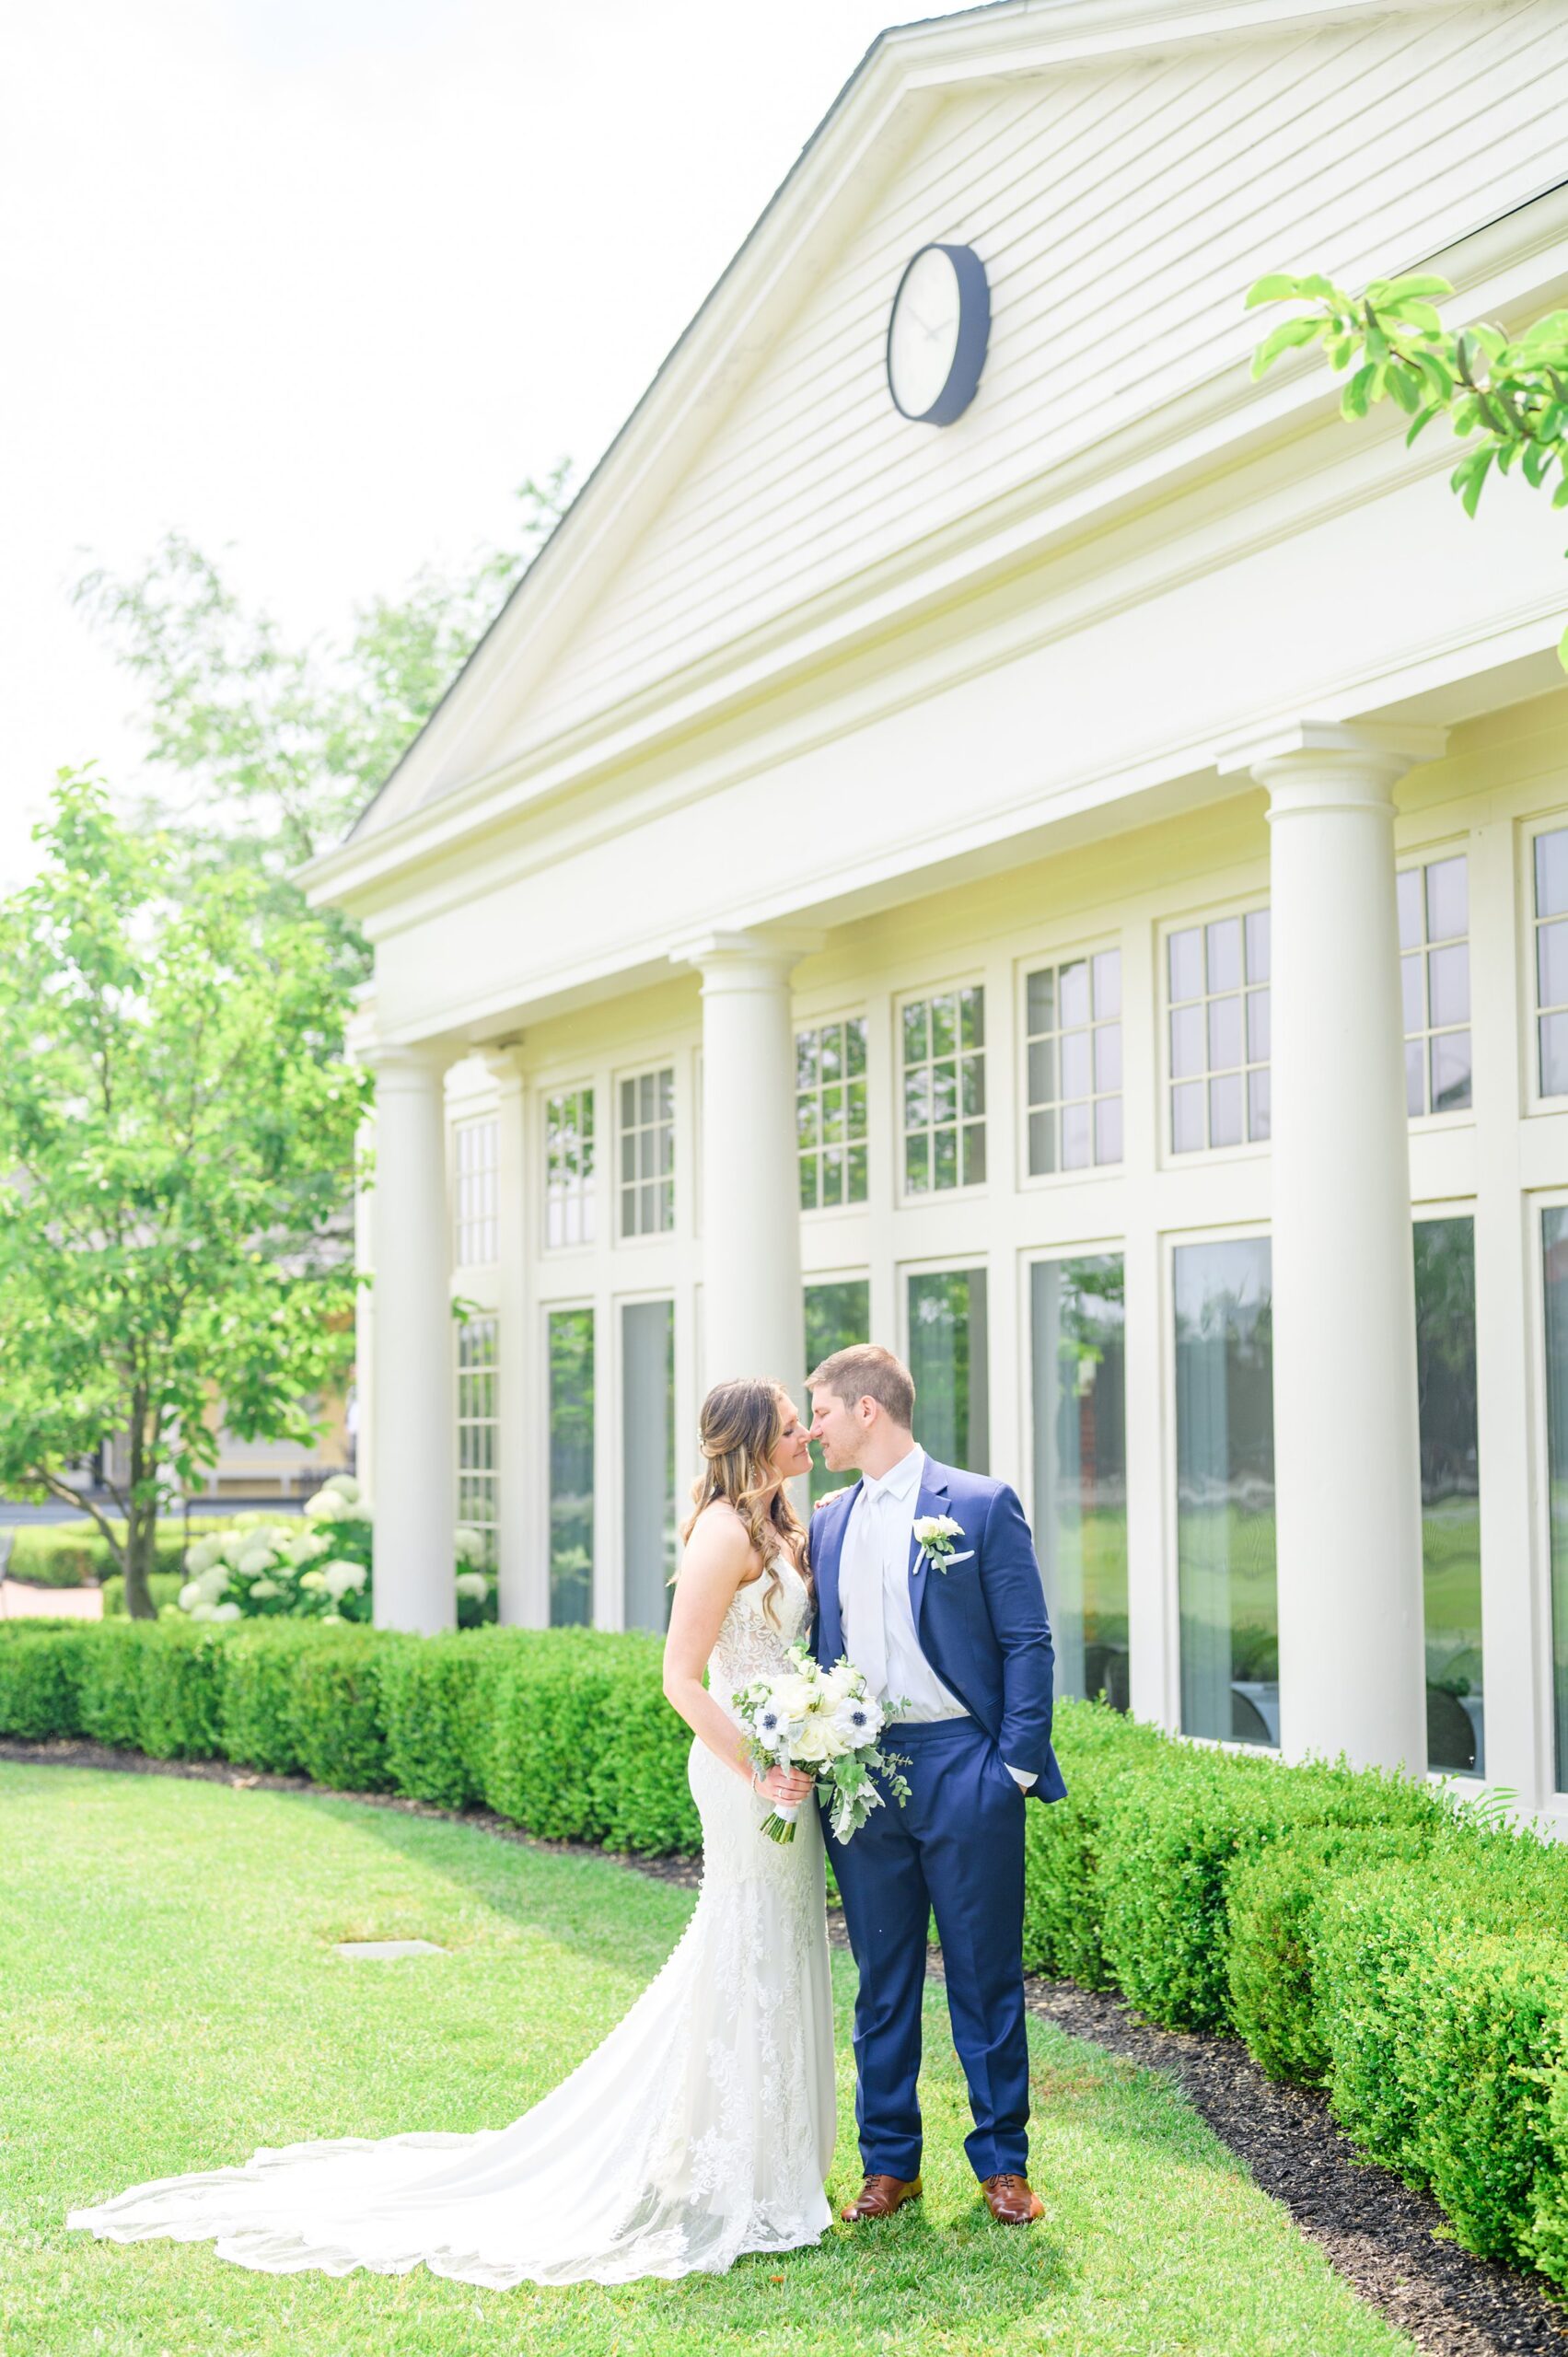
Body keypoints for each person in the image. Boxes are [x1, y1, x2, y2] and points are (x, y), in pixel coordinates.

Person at [67, 1378, 835, 2288]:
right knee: (738, 1946)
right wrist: (757, 1762)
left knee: (778, 1943)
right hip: (743, 1770)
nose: (807, 1434)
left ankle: (771, 2159)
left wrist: (814, 1732)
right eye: (792, 1425)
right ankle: (715, 2162)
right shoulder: (720, 1532)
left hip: (791, 1766)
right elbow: (681, 1676)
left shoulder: (788, 1521)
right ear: (753, 1440)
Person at [807, 1342, 1063, 2229]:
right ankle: (889, 2166)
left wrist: (1013, 1770)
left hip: (965, 1764)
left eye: (825, 1413)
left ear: (868, 1409)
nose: (814, 1430)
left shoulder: (981, 1505)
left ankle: (1003, 2165)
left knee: (984, 1975)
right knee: (882, 1979)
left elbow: (1029, 1641)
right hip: (863, 1774)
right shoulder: (828, 1519)